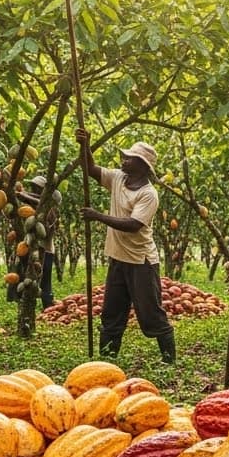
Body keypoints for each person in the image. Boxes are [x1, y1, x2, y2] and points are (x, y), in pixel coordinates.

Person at [75, 129, 176, 365]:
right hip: (118, 258)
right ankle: (106, 360)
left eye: (129, 158)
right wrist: (85, 145)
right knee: (112, 311)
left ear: (141, 165)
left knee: (150, 313)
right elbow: (90, 169)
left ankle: (169, 359)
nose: (123, 160)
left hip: (141, 261)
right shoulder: (118, 178)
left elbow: (133, 225)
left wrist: (97, 216)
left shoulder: (148, 194)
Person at [15, 175, 61, 308]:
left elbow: (39, 201)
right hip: (33, 249)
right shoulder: (36, 207)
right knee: (28, 277)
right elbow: (34, 199)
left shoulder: (51, 211)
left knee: (44, 281)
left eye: (36, 188)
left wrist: (23, 196)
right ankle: (25, 302)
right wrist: (20, 194)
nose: (32, 189)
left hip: (45, 251)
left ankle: (48, 306)